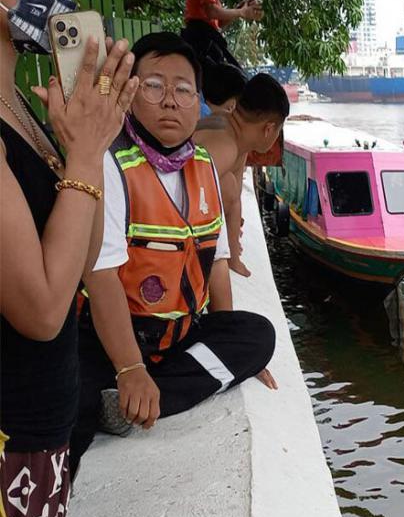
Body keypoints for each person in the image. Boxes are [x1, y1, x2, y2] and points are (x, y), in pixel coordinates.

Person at [71, 32, 278, 478]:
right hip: (113, 340)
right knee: (72, 407)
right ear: (128, 93)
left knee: (258, 337)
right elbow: (100, 275)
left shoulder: (203, 164)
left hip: (179, 335)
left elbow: (217, 263)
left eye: (183, 90)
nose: (170, 101)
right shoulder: (110, 163)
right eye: (153, 86)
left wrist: (235, 352)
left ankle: (140, 398)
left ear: (197, 101)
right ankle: (125, 392)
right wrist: (128, 367)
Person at [2, 0, 138, 517]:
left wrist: (84, 144)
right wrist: (84, 150)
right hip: (12, 454)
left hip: (44, 445)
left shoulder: (20, 110)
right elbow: (44, 307)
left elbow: (83, 256)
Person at [194, 72, 289, 277]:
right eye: (278, 130)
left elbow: (235, 198)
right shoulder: (226, 147)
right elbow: (185, 194)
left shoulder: (227, 125)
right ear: (269, 129)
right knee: (227, 185)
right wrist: (232, 257)